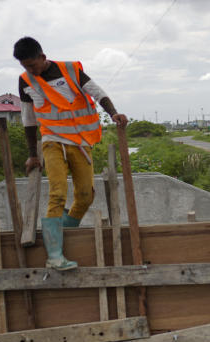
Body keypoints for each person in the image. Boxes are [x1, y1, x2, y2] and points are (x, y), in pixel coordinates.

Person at [13, 36, 128, 271]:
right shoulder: (25, 81)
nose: (30, 70)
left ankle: (65, 227)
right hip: (52, 141)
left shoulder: (70, 71)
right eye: (25, 66)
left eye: (32, 65)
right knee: (57, 193)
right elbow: (28, 119)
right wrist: (32, 154)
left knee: (85, 195)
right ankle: (54, 256)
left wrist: (114, 113)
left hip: (80, 142)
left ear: (43, 58)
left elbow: (98, 92)